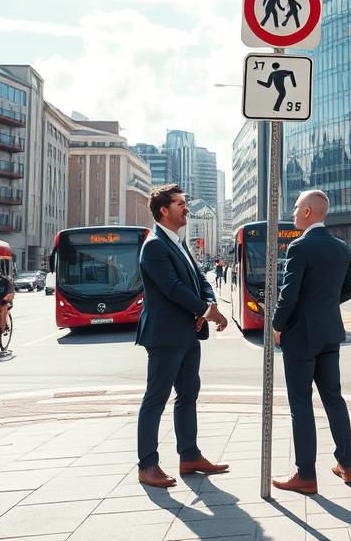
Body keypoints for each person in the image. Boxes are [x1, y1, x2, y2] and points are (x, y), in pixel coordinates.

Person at [135, 184, 230, 488]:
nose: (186, 208)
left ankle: (189, 455)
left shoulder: (178, 242)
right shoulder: (154, 245)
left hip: (189, 332)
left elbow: (199, 278)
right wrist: (207, 311)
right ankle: (147, 465)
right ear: (164, 210)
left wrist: (208, 302)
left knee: (188, 394)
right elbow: (173, 288)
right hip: (165, 335)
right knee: (156, 399)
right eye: (180, 203)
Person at [272, 190, 351, 495]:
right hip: (330, 334)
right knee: (334, 399)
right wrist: (324, 305)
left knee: (301, 404)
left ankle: (305, 474)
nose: (293, 212)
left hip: (300, 336)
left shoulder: (300, 247)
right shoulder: (341, 248)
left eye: (296, 207)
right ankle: (346, 466)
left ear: (308, 212)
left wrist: (276, 325)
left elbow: (288, 294)